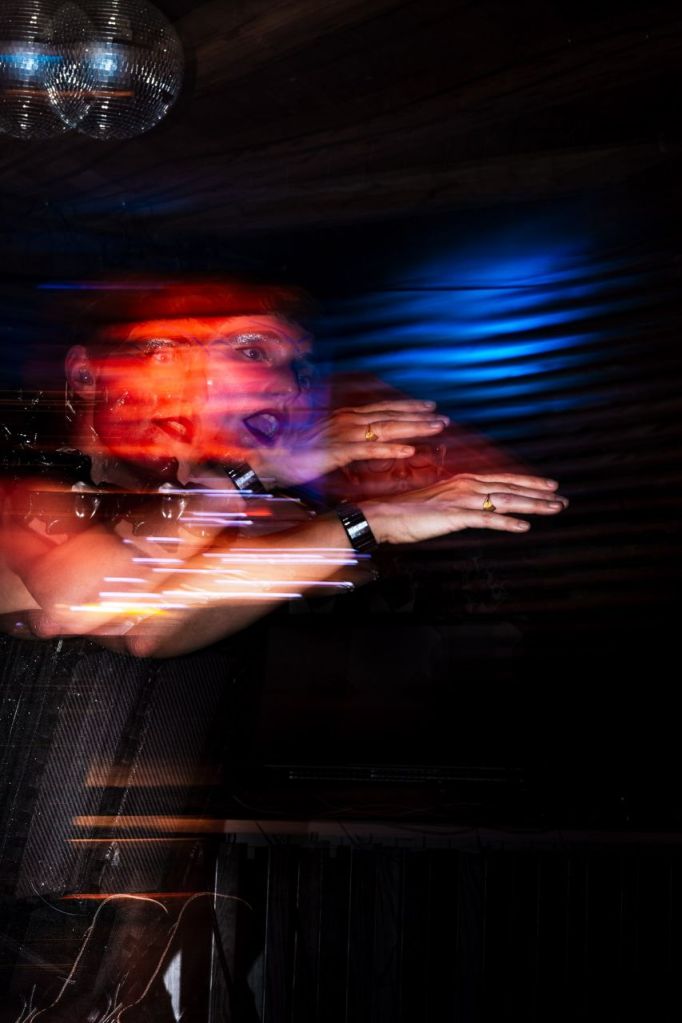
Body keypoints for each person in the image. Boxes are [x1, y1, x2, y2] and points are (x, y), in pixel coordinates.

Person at [0, 277, 568, 1017]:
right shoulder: (21, 486)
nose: (281, 382)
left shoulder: (214, 525)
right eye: (247, 349)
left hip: (125, 954)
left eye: (290, 363)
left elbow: (162, 622)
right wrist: (302, 499)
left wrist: (358, 513)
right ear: (87, 373)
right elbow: (94, 602)